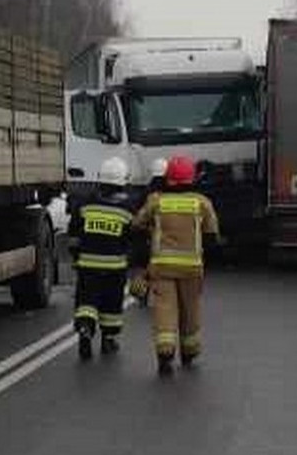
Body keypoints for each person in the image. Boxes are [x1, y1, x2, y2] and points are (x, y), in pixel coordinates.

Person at [132, 155, 220, 375]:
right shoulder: (201, 202)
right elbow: (211, 236)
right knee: (191, 309)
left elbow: (136, 224)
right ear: (192, 178)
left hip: (162, 267)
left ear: (168, 178)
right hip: (192, 267)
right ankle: (189, 350)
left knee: (165, 308)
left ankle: (165, 352)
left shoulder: (156, 201)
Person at [68, 157, 136, 359]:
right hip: (115, 268)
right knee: (111, 303)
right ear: (123, 181)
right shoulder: (127, 211)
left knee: (87, 300)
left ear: (100, 179)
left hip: (88, 264)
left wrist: (76, 257)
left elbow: (73, 236)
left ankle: (85, 329)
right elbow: (131, 240)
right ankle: (108, 340)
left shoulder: (84, 206)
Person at [127, 158, 169, 307]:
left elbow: (137, 217)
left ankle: (140, 292)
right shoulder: (172, 193)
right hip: (166, 238)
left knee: (144, 266)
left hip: (145, 237)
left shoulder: (145, 193)